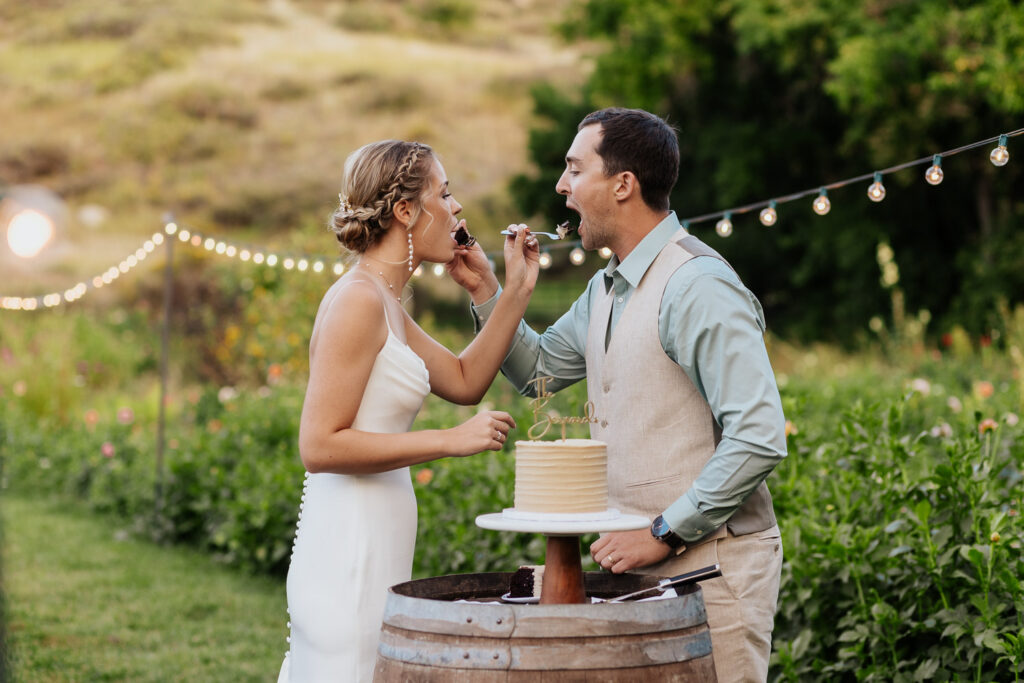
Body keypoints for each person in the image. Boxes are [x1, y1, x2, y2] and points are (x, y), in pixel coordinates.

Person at [451, 108, 787, 682]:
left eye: (574, 170)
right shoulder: (605, 287)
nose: (561, 186)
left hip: (713, 568)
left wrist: (663, 531)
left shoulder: (698, 286)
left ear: (623, 184)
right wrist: (490, 287)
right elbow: (537, 373)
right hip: (634, 565)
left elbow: (759, 437)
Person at [277, 139, 540, 683]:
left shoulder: (386, 303)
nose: (456, 208)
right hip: (348, 545)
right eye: (444, 194)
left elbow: (465, 381)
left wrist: (511, 291)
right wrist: (449, 440)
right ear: (405, 211)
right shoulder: (358, 301)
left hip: (378, 541)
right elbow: (320, 445)